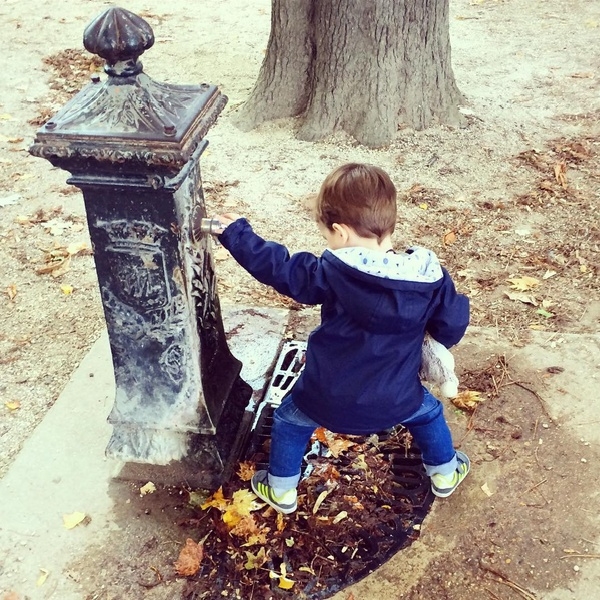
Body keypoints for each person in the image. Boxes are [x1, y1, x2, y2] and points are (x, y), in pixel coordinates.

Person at [213, 163, 470, 514]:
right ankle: (444, 473)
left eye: (328, 235)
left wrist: (236, 234)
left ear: (341, 232)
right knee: (429, 413)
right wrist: (431, 338)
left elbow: (280, 267)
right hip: (398, 399)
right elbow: (452, 323)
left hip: (323, 399)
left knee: (289, 421)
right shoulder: (429, 278)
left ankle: (282, 490)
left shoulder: (330, 273)